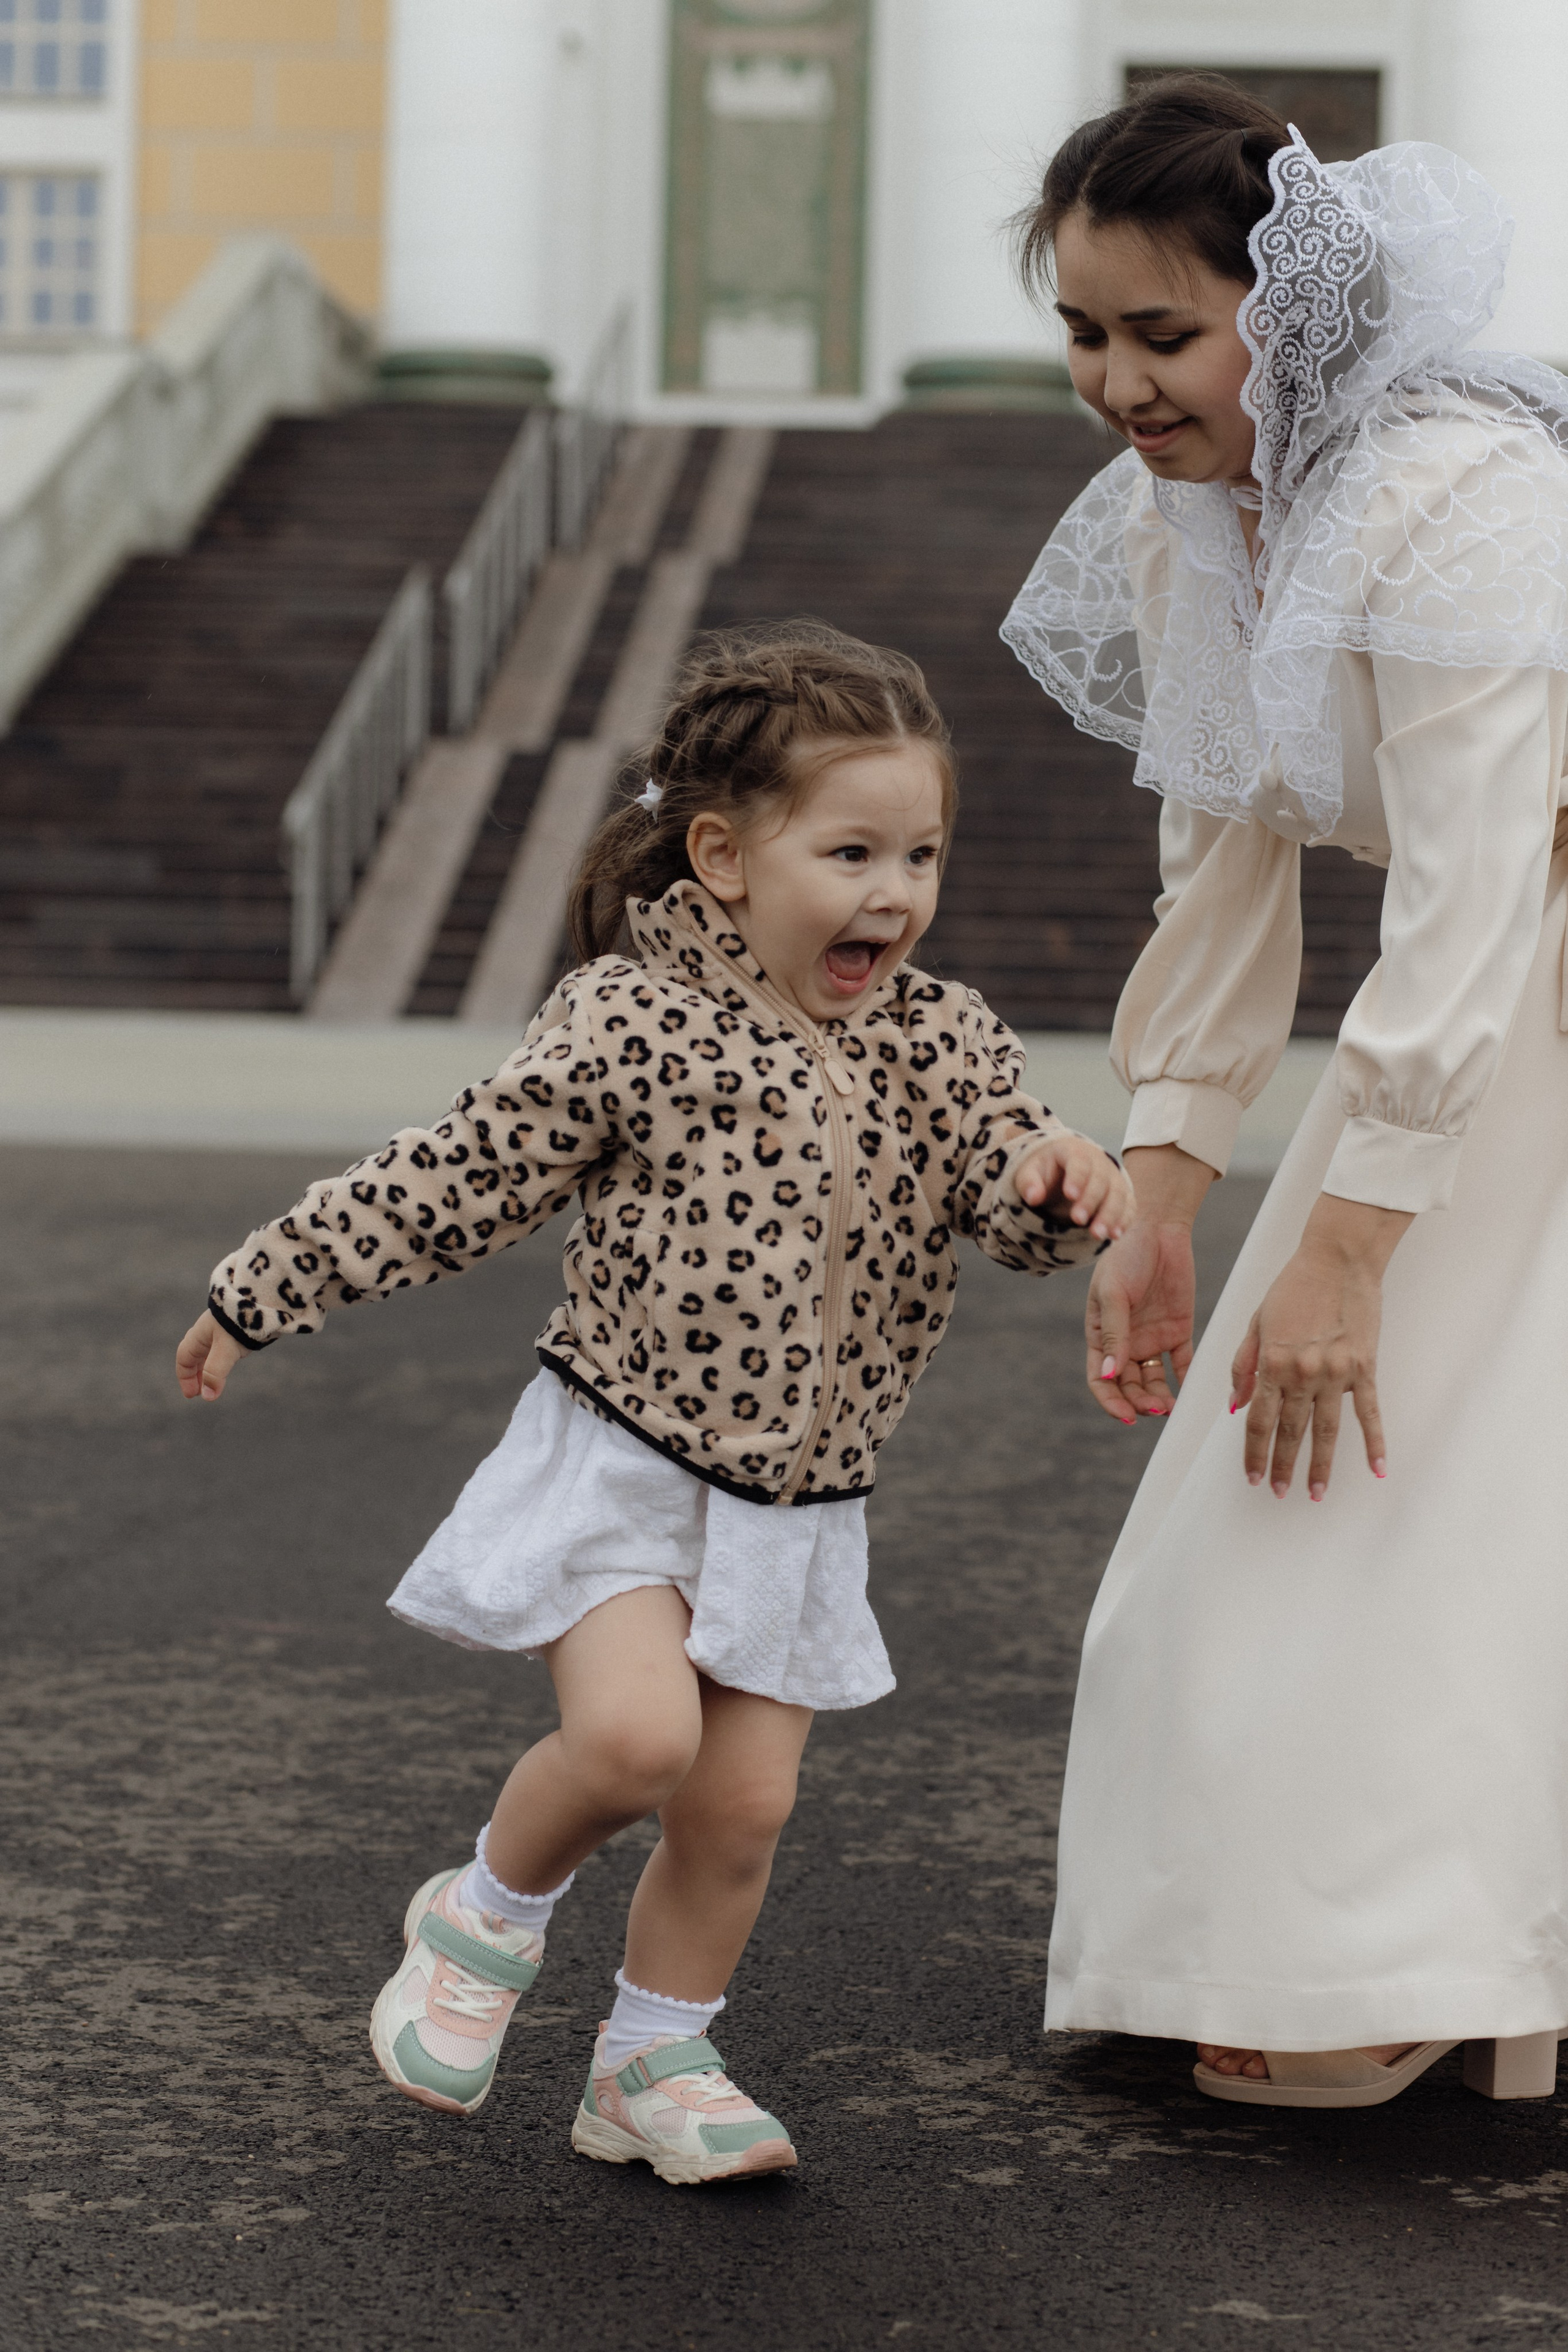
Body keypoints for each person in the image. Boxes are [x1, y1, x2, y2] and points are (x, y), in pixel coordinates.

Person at [176, 621, 1133, 2182]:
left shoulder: (941, 1038)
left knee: (740, 1809)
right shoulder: (631, 1022)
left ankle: (647, 2065)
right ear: (723, 855)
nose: (892, 893)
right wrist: (262, 1286)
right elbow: (459, 1176)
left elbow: (1005, 1197)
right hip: (627, 1458)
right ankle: (479, 1919)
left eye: (921, 853)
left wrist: (1057, 1180)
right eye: (849, 851)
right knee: (630, 1744)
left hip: (803, 1502)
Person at [1002, 73, 1568, 2109]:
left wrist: (1342, 1242)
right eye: (1083, 332)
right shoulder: (1195, 523)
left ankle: (1422, 1942)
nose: (1118, 383)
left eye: (1165, 331)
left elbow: (1491, 882)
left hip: (1521, 984)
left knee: (1439, 1469)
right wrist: (1160, 1197)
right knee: (1295, 1484)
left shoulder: (1454, 483)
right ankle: (1307, 1926)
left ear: (1287, 307)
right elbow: (1223, 866)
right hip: (1489, 989)